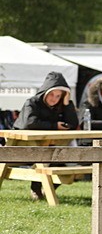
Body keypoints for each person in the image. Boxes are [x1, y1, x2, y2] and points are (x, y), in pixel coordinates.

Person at [15, 72, 79, 200]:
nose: (54, 99)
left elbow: (73, 124)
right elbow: (30, 123)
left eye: (58, 96)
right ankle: (37, 188)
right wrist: (54, 125)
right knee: (48, 157)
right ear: (45, 91)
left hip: (50, 147)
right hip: (24, 146)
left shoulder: (61, 106)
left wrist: (67, 104)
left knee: (66, 164)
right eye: (51, 94)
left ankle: (46, 188)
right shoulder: (32, 102)